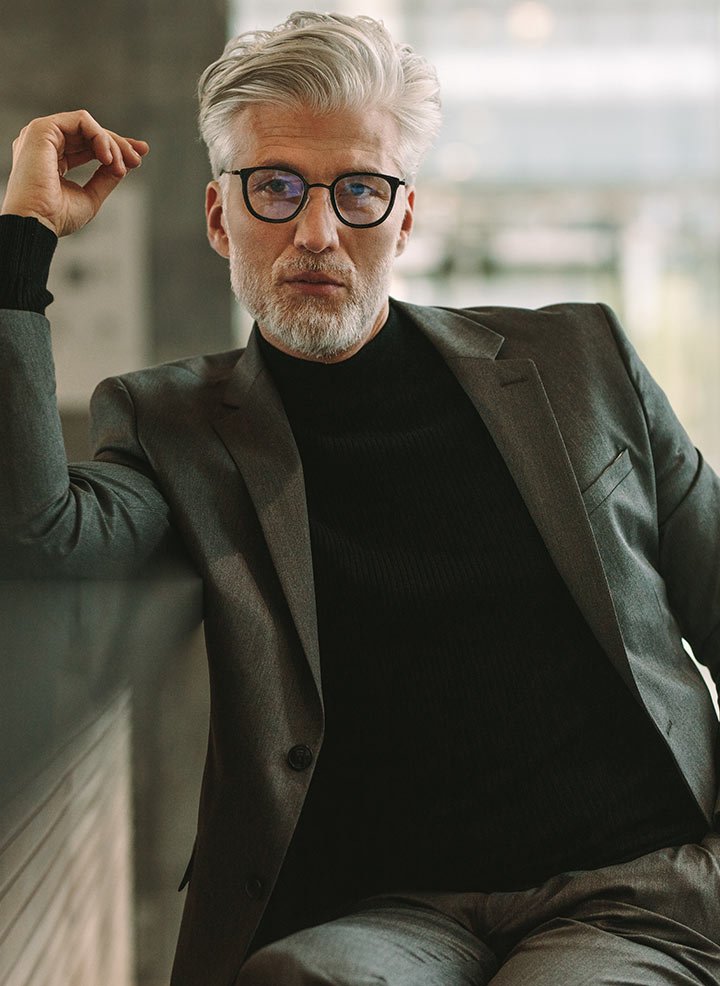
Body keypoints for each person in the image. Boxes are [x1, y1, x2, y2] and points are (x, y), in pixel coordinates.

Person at [1, 11, 718, 986]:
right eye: (275, 186)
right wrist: (22, 241)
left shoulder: (580, 363)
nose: (316, 232)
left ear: (404, 217)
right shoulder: (176, 425)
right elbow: (35, 537)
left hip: (629, 885)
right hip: (381, 913)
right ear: (219, 216)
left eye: (360, 191)